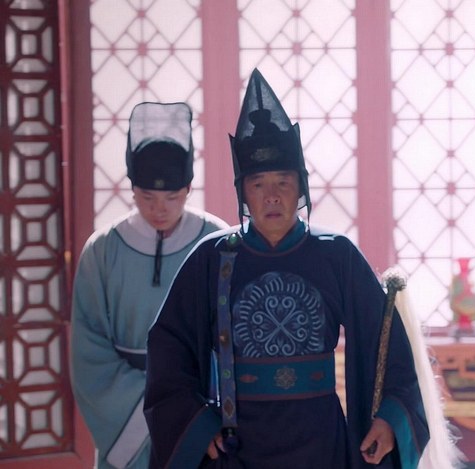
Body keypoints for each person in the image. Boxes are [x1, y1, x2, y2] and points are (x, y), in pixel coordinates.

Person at [143, 69, 430, 469]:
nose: (273, 196)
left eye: (283, 181)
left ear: (302, 187)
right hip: (239, 443)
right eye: (259, 184)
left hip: (322, 440)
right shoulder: (213, 258)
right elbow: (168, 346)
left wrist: (389, 417)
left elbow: (386, 341)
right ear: (243, 192)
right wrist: (195, 424)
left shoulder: (336, 255)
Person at [70, 102, 229, 469]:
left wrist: (189, 409)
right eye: (147, 197)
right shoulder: (103, 249)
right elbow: (88, 348)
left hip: (200, 401)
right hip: (125, 409)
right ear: (132, 190)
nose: (160, 209)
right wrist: (153, 405)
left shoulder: (217, 241)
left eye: (172, 197)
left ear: (188, 189)